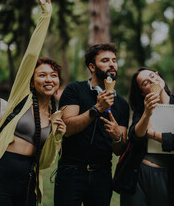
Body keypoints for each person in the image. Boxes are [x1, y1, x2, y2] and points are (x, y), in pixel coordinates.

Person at [0, 0, 66, 205]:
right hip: (0, 172)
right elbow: (31, 55)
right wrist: (46, 15)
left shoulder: (55, 115)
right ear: (31, 80)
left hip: (28, 178)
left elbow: (44, 162)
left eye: (53, 75)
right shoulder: (22, 97)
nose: (48, 79)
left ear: (58, 82)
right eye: (42, 75)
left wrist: (56, 136)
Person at [54, 43, 130, 206]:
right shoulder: (75, 90)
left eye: (114, 60)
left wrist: (117, 137)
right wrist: (96, 109)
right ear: (92, 66)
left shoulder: (122, 104)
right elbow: (67, 129)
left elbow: (120, 150)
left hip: (101, 175)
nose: (112, 64)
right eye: (105, 60)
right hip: (71, 171)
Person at [119, 67, 174, 206]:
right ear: (142, 92)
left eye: (153, 75)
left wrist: (154, 134)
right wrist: (147, 113)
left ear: (160, 76)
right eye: (146, 82)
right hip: (139, 174)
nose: (153, 80)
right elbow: (135, 136)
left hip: (171, 178)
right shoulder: (142, 109)